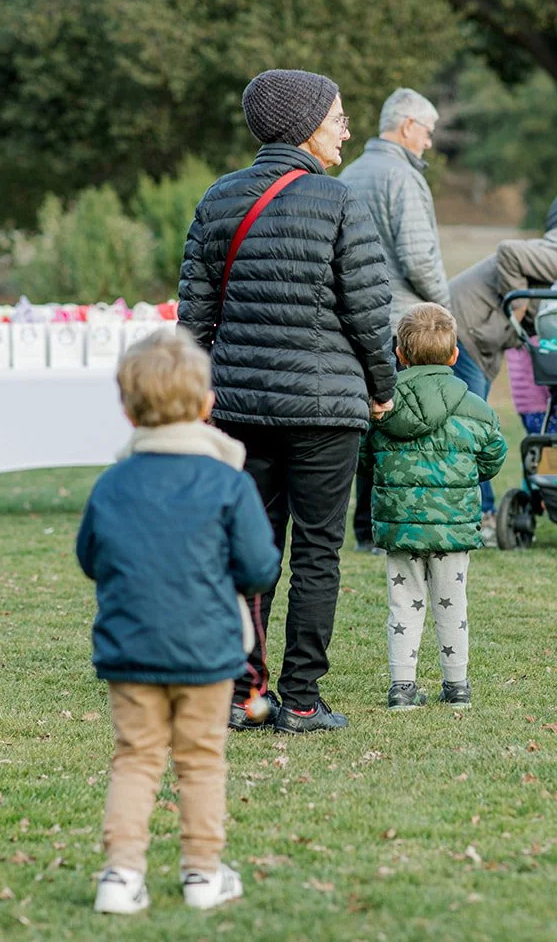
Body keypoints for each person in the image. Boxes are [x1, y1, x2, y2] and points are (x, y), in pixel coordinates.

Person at [178, 68, 395, 735]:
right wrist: (383, 387)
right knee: (318, 553)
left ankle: (246, 694)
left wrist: (199, 393)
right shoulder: (338, 202)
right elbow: (367, 310)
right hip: (325, 410)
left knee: (250, 547)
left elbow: (194, 316)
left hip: (239, 407)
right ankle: (300, 699)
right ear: (303, 124)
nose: (347, 130)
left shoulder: (218, 198)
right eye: (337, 117)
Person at [79, 331, 282, 915]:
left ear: (127, 409)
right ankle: (202, 872)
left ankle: (120, 875)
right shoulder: (229, 483)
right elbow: (261, 566)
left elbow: (89, 558)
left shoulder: (112, 483)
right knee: (200, 760)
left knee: (136, 759)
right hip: (206, 650)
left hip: (132, 649)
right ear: (206, 405)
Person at [364, 303, 507, 711]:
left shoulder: (382, 410)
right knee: (452, 602)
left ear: (400, 354)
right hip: (453, 525)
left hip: (400, 526)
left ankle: (402, 687)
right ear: (455, 354)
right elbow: (493, 458)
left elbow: (363, 457)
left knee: (403, 603)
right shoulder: (476, 408)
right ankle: (457, 685)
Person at [448, 225, 557, 522]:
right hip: (468, 323)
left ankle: (476, 510)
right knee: (473, 426)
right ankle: (481, 514)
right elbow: (509, 252)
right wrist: (517, 310)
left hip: (482, 334)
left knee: (474, 425)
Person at [341, 88, 449, 554]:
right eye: (427, 132)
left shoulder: (348, 174)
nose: (428, 143)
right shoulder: (401, 177)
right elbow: (418, 258)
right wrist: (444, 308)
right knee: (400, 426)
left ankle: (364, 529)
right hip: (400, 322)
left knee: (363, 426)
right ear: (407, 126)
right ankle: (391, 527)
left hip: (351, 320)